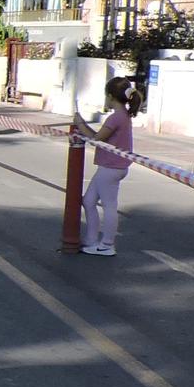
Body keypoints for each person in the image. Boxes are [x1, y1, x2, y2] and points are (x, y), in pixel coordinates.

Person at [71, 76, 141, 256]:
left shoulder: (115, 117)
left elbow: (96, 139)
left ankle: (108, 244)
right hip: (111, 166)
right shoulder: (123, 115)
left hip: (112, 167)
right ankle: (91, 240)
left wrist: (80, 123)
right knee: (88, 201)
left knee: (109, 205)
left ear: (110, 96)